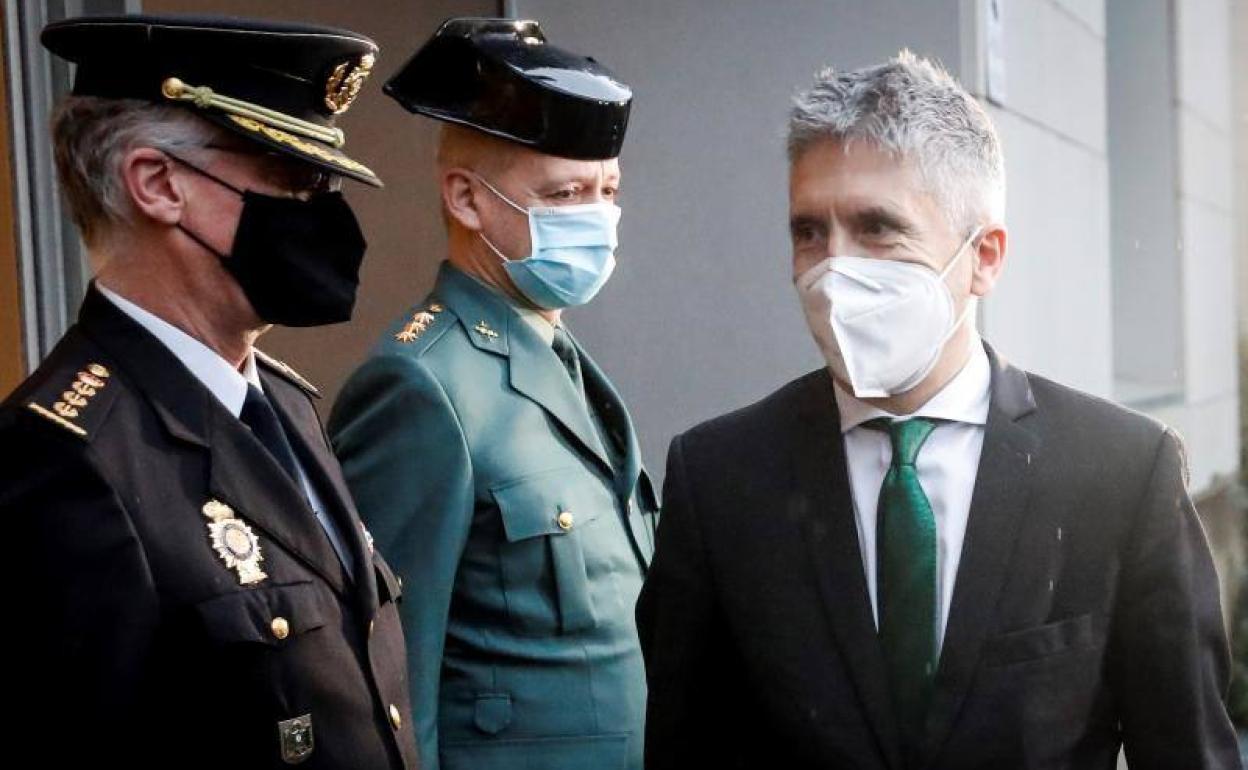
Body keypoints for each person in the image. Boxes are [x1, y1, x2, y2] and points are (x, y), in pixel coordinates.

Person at [636, 51, 1242, 770]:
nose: (834, 269)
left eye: (877, 227)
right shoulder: (720, 478)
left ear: (984, 257)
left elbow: (1186, 750)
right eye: (809, 231)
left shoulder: (1120, 471)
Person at [0, 15, 419, 769]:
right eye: (291, 178)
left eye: (324, 181)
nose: (322, 211)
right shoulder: (64, 458)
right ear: (158, 184)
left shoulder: (284, 405)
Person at [327, 18, 657, 770]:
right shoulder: (421, 386)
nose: (597, 217)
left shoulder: (559, 361)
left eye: (607, 190)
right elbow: (394, 683)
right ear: (467, 200)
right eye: (565, 193)